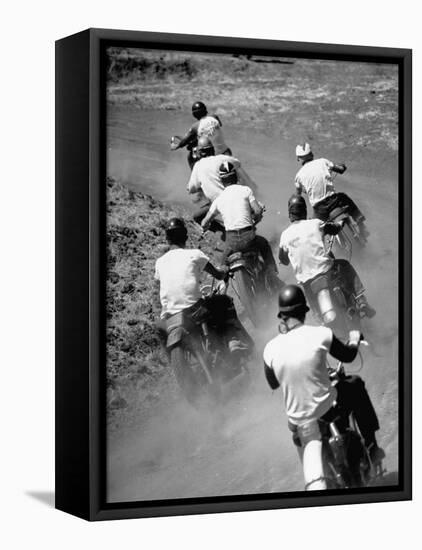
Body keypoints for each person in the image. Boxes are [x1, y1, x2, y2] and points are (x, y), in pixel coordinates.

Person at [263, 284, 385, 490]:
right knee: (354, 385)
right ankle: (372, 447)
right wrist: (354, 339)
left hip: (298, 426)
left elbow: (273, 382)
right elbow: (348, 356)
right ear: (304, 311)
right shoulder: (321, 334)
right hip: (328, 415)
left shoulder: (270, 349)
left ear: (281, 317)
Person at [154, 217, 251, 361]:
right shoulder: (194, 254)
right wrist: (224, 270)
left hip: (170, 317)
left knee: (161, 331)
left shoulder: (159, 262)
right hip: (194, 310)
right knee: (225, 301)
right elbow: (218, 275)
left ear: (167, 240)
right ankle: (232, 341)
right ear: (185, 237)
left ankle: (174, 363)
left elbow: (158, 287)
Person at [279, 195, 375, 319]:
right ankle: (361, 300)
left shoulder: (284, 236)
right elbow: (335, 229)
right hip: (326, 271)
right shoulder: (315, 223)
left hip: (307, 282)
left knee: (312, 307)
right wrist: (341, 222)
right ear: (304, 210)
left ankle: (319, 317)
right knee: (345, 265)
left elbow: (283, 260)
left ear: (290, 213)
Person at [201, 161, 281, 286]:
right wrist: (256, 219)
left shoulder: (219, 199)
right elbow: (258, 210)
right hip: (249, 239)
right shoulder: (246, 190)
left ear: (222, 181)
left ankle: (222, 287)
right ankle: (272, 273)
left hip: (232, 243)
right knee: (264, 244)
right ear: (236, 177)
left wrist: (205, 227)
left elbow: (205, 221)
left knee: (222, 265)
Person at [294, 143, 368, 236]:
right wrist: (343, 166)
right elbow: (340, 169)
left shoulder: (298, 176)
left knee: (315, 231)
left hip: (320, 210)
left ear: (298, 158)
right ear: (312, 154)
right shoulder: (322, 161)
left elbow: (298, 198)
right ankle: (360, 223)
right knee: (344, 197)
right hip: (335, 202)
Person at [187, 136, 243, 233]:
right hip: (234, 198)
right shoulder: (222, 159)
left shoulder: (198, 166)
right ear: (212, 149)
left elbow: (191, 189)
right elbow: (238, 163)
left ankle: (222, 231)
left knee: (197, 217)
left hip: (217, 203)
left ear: (200, 152)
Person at [171, 101, 231, 169]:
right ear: (205, 109)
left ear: (194, 114)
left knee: (192, 157)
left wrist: (176, 146)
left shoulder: (195, 126)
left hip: (213, 156)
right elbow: (219, 126)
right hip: (226, 152)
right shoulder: (214, 117)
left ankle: (197, 176)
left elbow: (185, 141)